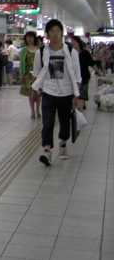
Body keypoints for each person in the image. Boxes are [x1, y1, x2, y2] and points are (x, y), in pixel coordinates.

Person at [32, 19, 81, 166]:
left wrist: (76, 95)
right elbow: (36, 73)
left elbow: (77, 75)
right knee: (47, 123)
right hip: (48, 92)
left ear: (62, 33)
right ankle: (47, 151)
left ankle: (63, 145)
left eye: (58, 31)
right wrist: (34, 92)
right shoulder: (41, 52)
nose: (55, 34)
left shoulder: (71, 52)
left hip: (66, 93)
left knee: (65, 122)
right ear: (47, 33)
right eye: (52, 31)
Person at [71, 36, 100, 111]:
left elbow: (92, 63)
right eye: (72, 41)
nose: (72, 43)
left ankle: (79, 112)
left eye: (74, 41)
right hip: (72, 77)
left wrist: (98, 71)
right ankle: (76, 108)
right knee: (74, 94)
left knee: (82, 95)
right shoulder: (70, 53)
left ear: (78, 42)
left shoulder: (85, 53)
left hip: (83, 76)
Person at [19, 31, 41, 119]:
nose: (29, 39)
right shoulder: (24, 49)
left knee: (38, 93)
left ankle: (38, 110)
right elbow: (22, 62)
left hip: (39, 74)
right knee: (30, 93)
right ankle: (32, 111)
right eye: (28, 37)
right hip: (28, 75)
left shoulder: (39, 48)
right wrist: (21, 73)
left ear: (34, 38)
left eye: (31, 37)